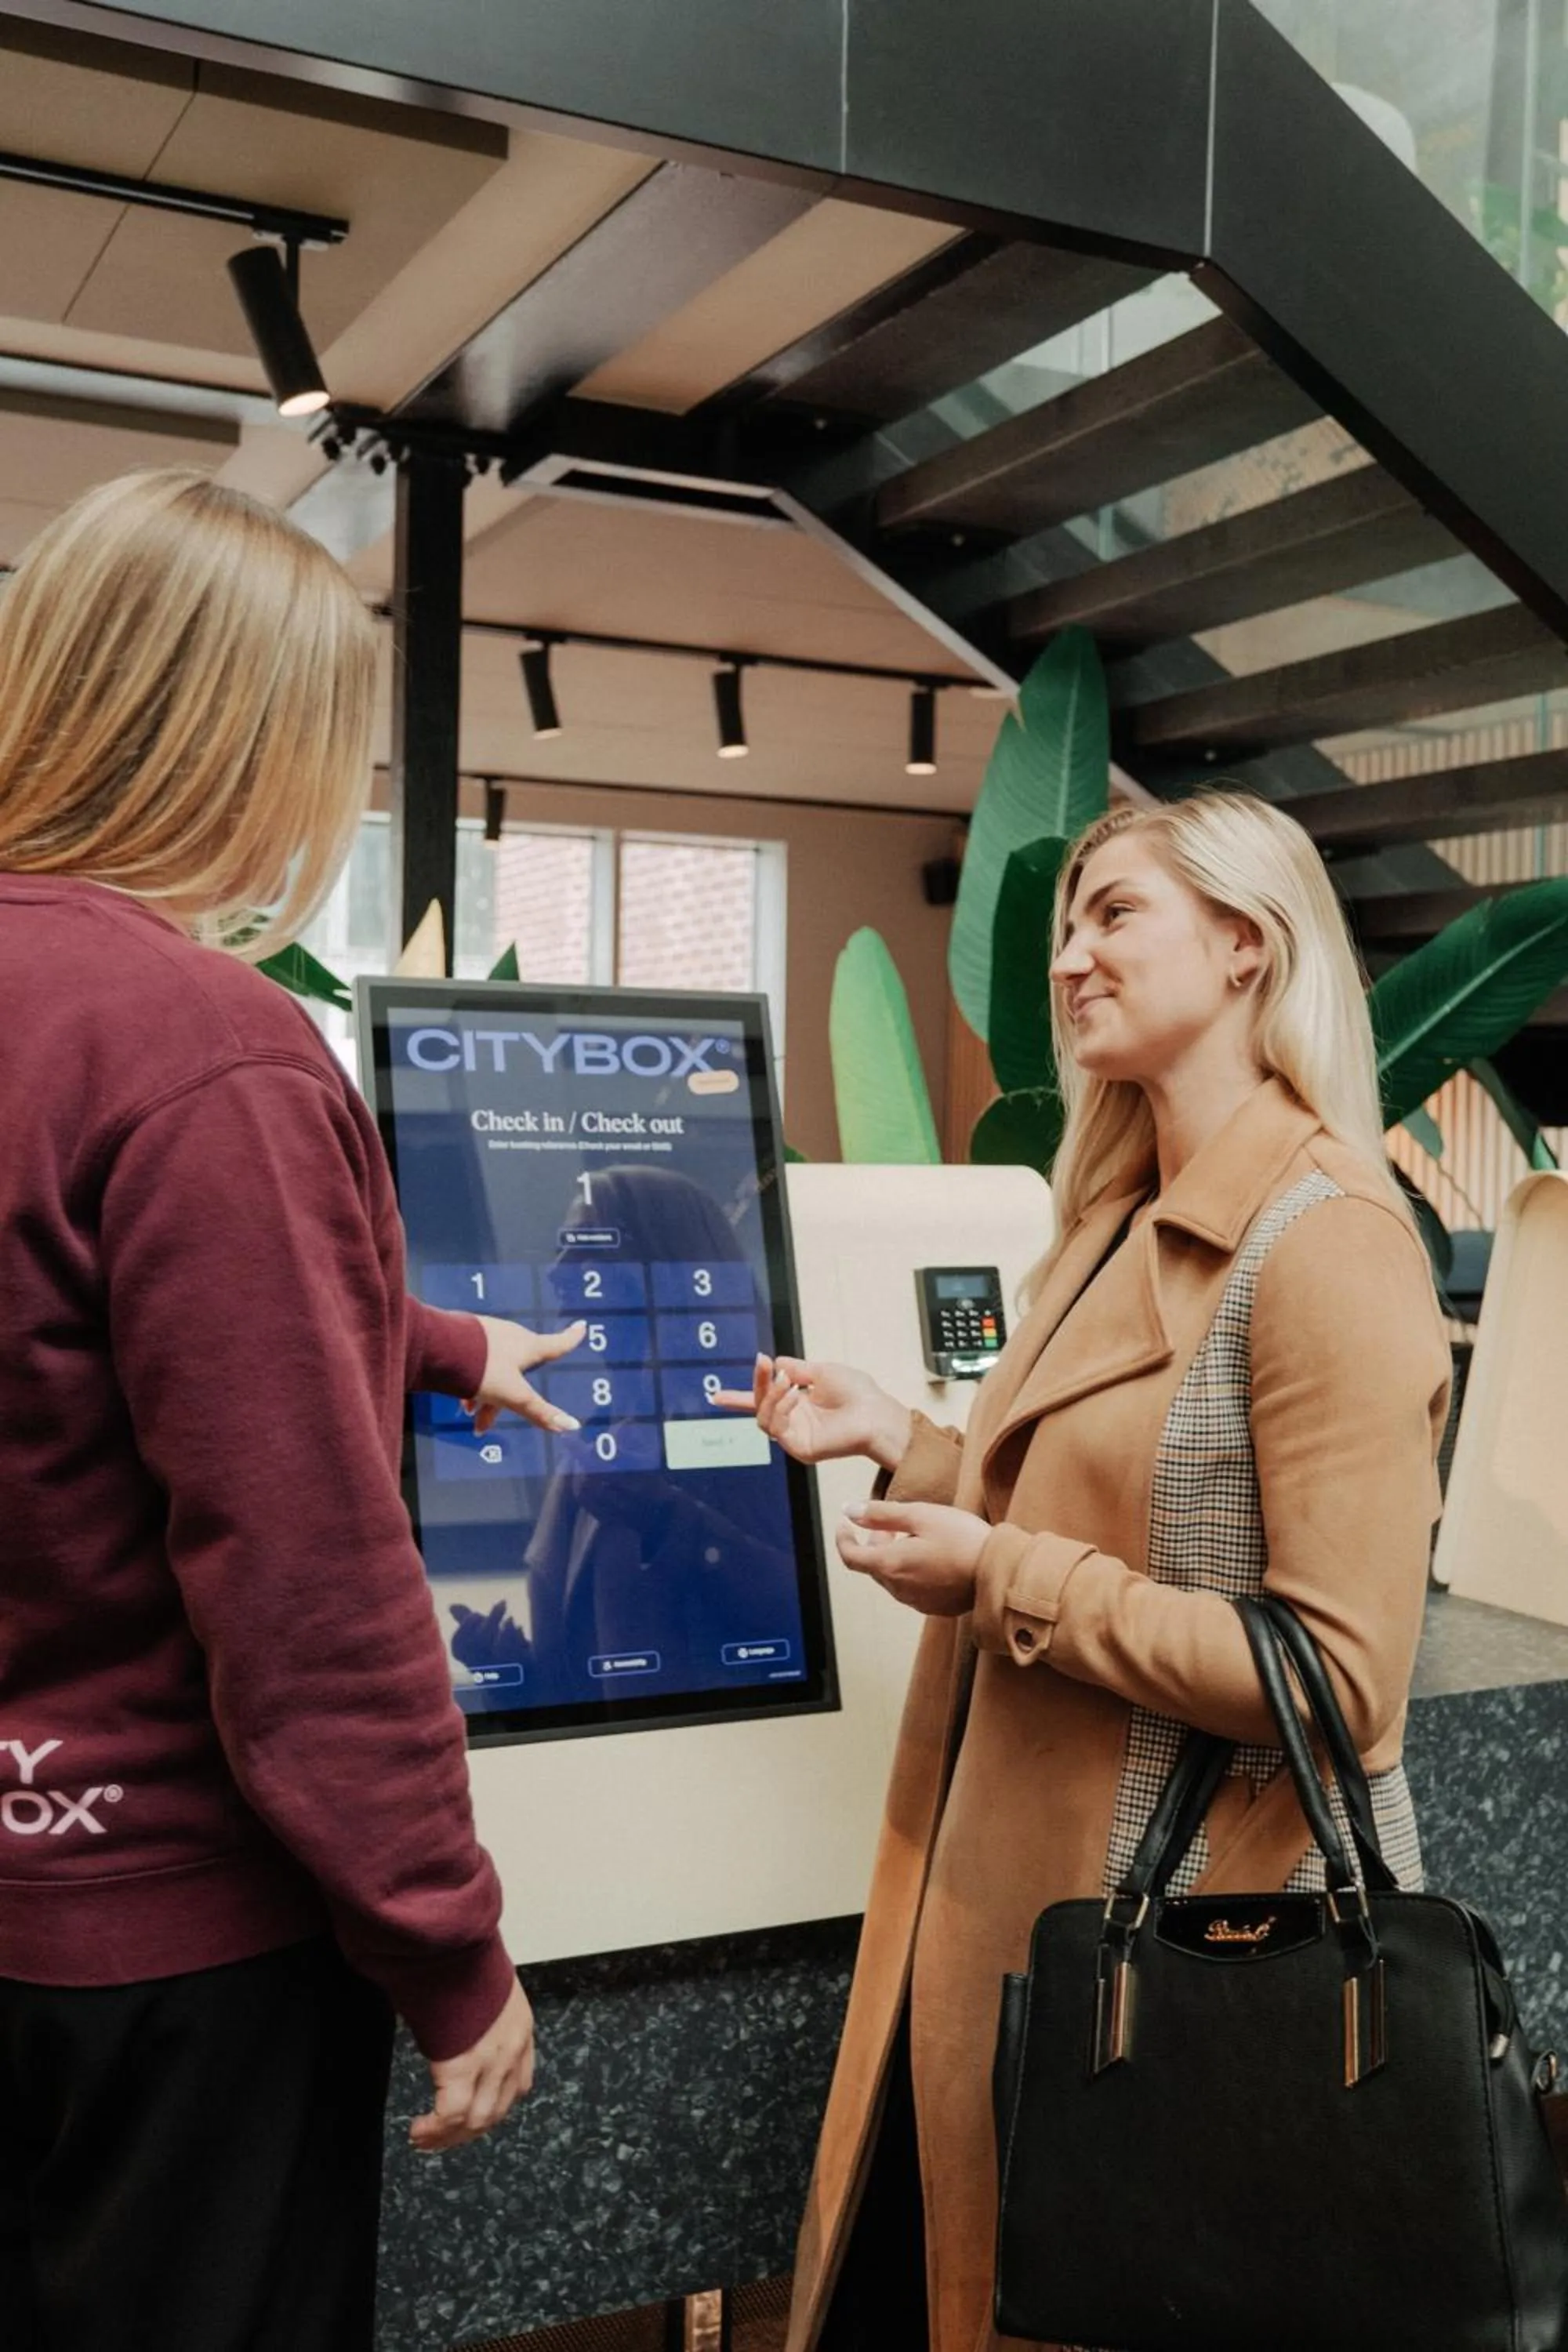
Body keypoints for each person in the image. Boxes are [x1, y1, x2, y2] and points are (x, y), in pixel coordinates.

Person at [719, 790, 1452, 2352]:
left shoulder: (1323, 1241)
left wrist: (1000, 1571)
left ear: (1247, 947)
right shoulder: (1113, 1219)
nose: (1067, 958)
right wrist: (905, 1448)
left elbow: (1333, 1678)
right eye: (1066, 923)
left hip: (1178, 1953)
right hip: (1004, 1925)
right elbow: (1093, 1512)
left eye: (1115, 914)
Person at [0, 469, 586, 2352]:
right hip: (166, 1954)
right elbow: (309, 1581)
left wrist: (425, 1337)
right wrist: (448, 1941)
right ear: (252, 747)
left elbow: (62, 1304)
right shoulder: (207, 1043)